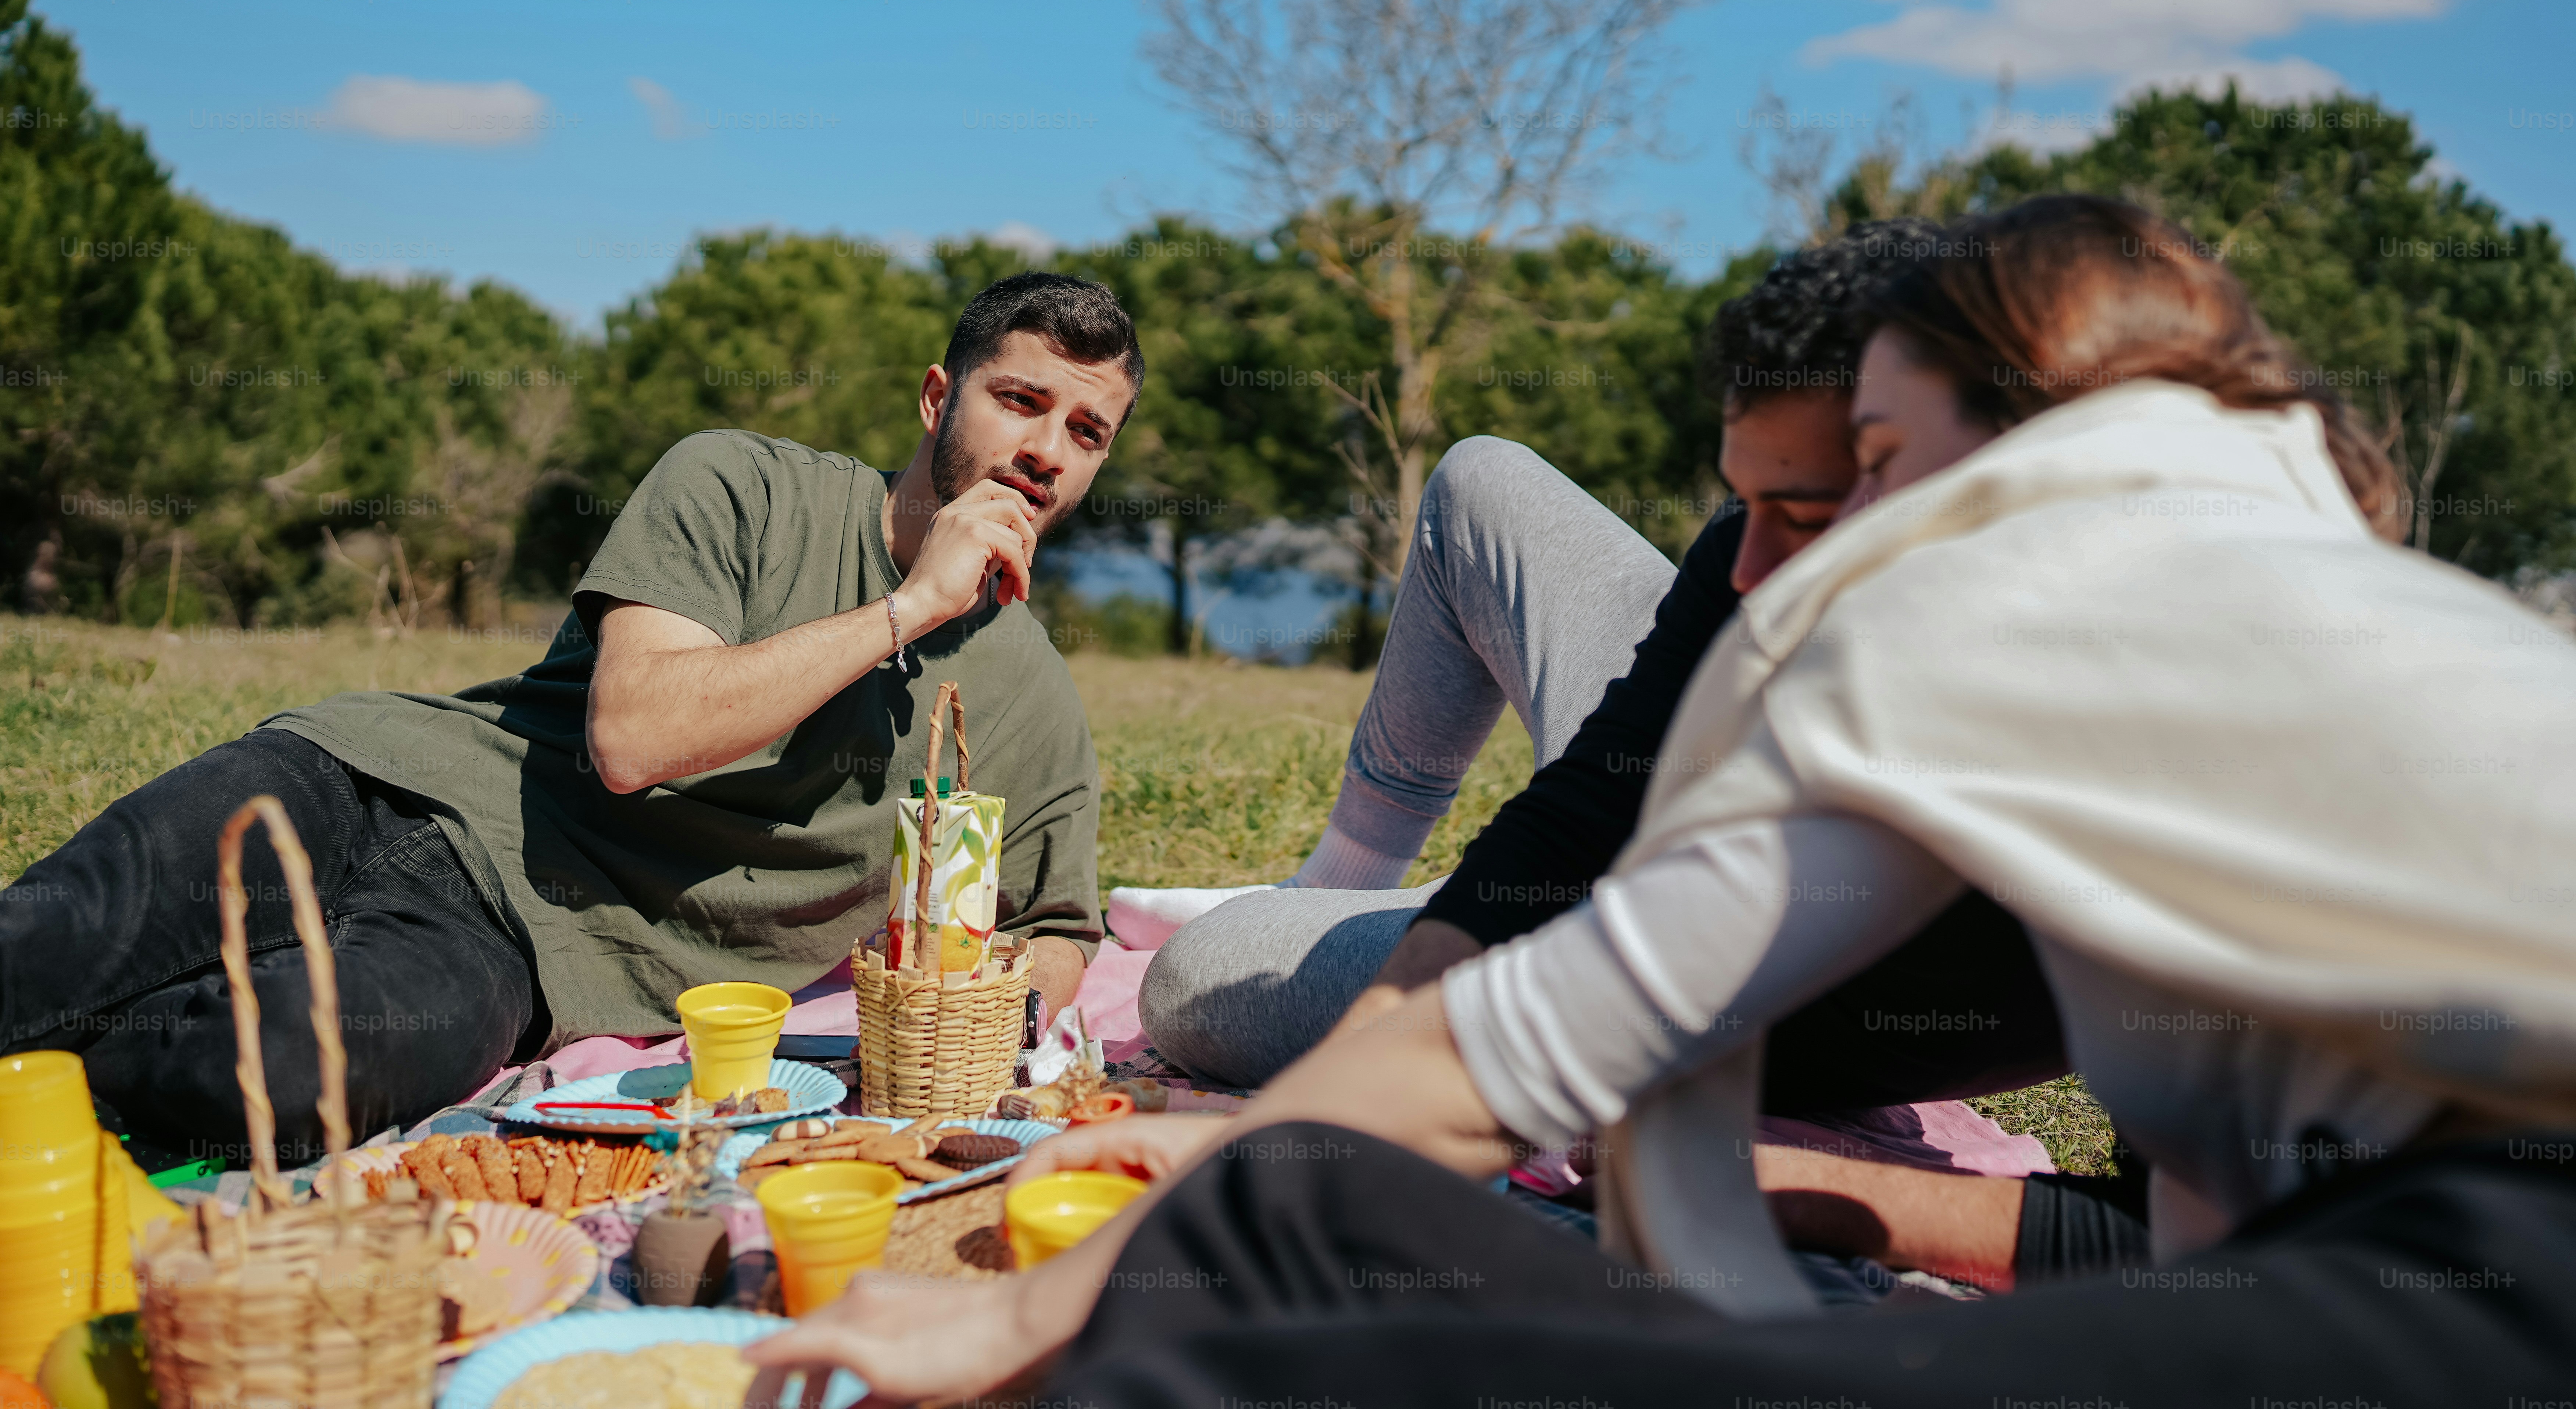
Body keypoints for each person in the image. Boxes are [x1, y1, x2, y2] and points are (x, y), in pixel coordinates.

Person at [747, 196, 2576, 1405]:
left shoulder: (2040, 607)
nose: (1775, 569)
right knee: (1290, 1207)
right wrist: (1235, 1171)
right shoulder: (2033, 620)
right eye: (1778, 495)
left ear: (2005, 448)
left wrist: (1012, 1316)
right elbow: (1549, 996)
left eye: (1863, 466)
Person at [0, 272, 1140, 1161]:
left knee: (280, 1078)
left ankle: (54, 1087)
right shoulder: (740, 482)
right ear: (941, 398)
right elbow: (634, 741)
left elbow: (1060, 930)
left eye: (1087, 433)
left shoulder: (1030, 696)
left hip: (522, 942)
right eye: (1021, 401)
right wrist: (909, 608)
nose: (1045, 452)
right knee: (45, 941)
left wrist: (984, 1039)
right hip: (374, 780)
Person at [1131, 218, 2064, 1124]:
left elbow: (2159, 1234)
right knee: (1479, 476)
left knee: (1200, 979)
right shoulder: (1759, 562)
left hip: (1724, 966)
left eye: (1807, 512)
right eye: (1748, 502)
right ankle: (1342, 888)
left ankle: (1393, 916)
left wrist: (1796, 1190)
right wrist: (1392, 1019)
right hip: (1673, 831)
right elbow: (1591, 800)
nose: (1745, 570)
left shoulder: (2137, 726)